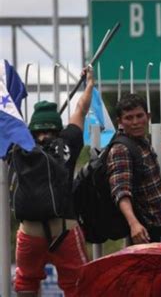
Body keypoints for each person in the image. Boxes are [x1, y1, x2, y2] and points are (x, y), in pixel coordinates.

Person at [14, 67, 94, 297]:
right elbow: (80, 108)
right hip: (65, 229)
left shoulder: (21, 147)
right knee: (77, 285)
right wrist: (89, 84)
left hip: (29, 231)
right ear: (56, 129)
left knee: (26, 283)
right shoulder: (67, 141)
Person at [107, 93, 161, 244]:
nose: (135, 122)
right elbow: (121, 191)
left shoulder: (140, 141)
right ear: (120, 121)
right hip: (146, 232)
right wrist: (134, 224)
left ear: (148, 116)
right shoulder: (121, 149)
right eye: (129, 118)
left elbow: (150, 154)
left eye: (139, 116)